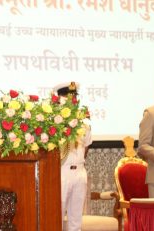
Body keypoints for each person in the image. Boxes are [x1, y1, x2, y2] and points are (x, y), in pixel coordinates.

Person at [55, 82, 92, 231]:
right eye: (68, 96)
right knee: (56, 216)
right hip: (61, 171)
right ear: (60, 98)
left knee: (76, 220)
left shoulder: (84, 122)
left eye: (74, 96)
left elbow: (87, 144)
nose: (72, 100)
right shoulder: (54, 121)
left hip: (80, 171)